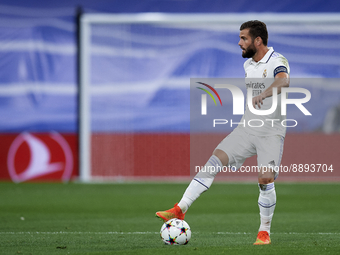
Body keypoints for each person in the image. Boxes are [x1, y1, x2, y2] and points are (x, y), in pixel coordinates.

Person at [156, 20, 290, 245]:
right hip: (247, 128)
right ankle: (180, 208)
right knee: (215, 158)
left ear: (258, 40)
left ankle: (264, 232)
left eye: (244, 38)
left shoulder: (277, 60)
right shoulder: (249, 65)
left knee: (265, 179)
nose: (239, 43)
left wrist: (264, 95)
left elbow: (283, 81)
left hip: (271, 132)